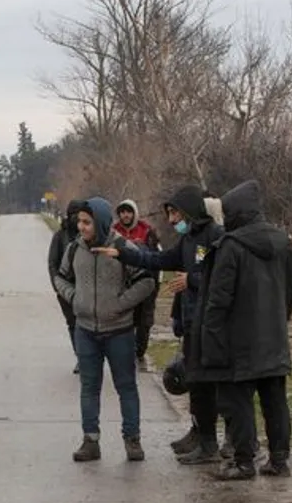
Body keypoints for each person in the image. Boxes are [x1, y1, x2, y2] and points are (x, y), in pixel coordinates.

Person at [95, 186, 232, 464]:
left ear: (191, 210)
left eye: (175, 213)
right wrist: (124, 252)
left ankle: (215, 444)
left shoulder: (215, 237)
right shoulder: (189, 240)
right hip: (193, 323)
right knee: (197, 383)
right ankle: (202, 437)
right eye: (169, 214)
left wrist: (192, 281)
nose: (172, 220)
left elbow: (223, 277)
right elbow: (157, 259)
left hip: (213, 325)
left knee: (211, 386)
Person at [194, 180, 292, 480]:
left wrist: (211, 339)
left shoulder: (231, 247)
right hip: (274, 339)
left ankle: (243, 462)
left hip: (237, 341)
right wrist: (278, 321)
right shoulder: (283, 243)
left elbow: (218, 300)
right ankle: (279, 460)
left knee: (236, 402)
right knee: (275, 402)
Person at [54, 197, 157, 462]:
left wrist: (120, 305)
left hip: (119, 331)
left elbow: (146, 282)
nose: (81, 227)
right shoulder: (74, 250)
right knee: (89, 387)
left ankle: (132, 439)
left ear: (100, 222)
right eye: (79, 222)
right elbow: (60, 277)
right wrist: (75, 298)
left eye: (87, 222)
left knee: (126, 387)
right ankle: (91, 441)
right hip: (86, 330)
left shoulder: (123, 247)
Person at [113, 200, 161, 368]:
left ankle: (140, 353)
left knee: (144, 321)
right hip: (123, 284)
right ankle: (125, 352)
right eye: (122, 212)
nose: (126, 215)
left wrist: (155, 283)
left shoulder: (147, 231)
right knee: (125, 319)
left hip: (145, 282)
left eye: (129, 212)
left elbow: (157, 258)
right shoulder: (114, 231)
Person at [48, 199, 88, 375]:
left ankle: (89, 357)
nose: (77, 220)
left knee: (87, 323)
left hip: (87, 288)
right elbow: (52, 263)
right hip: (66, 290)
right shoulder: (60, 236)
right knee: (73, 323)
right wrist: (58, 287)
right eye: (74, 216)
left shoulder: (88, 234)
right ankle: (81, 357)